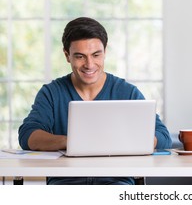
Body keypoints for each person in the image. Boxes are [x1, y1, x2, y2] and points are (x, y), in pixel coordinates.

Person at [18, 17, 172, 185]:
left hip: (116, 183)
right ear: (67, 55)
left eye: (96, 55)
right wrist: (71, 142)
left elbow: (163, 136)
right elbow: (28, 136)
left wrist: (133, 141)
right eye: (80, 56)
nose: (89, 64)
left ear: (105, 52)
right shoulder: (52, 93)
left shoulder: (126, 92)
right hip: (65, 184)